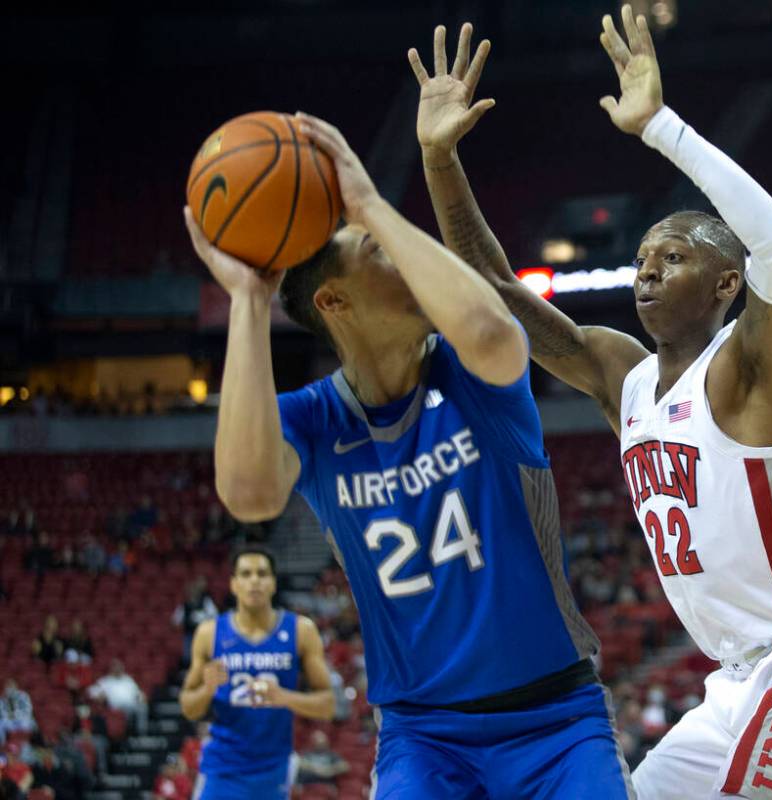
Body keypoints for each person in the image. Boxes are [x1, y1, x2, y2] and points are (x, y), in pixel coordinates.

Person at [418, 10, 772, 798]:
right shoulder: (621, 374)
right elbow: (498, 293)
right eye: (641, 259)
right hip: (735, 681)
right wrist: (439, 160)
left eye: (673, 257)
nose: (646, 270)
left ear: (725, 285)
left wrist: (661, 127)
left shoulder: (742, 368)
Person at [181, 74, 632, 797]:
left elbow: (491, 324)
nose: (408, 255)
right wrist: (247, 300)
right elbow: (248, 494)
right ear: (334, 302)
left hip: (557, 721)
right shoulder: (313, 419)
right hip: (424, 738)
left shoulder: (470, 374)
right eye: (381, 251)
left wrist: (370, 206)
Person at [179, 546, 333, 800]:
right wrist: (207, 689)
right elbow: (188, 708)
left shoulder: (301, 631)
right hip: (222, 768)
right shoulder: (209, 633)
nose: (254, 581)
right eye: (246, 574)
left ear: (273, 583)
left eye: (262, 574)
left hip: (273, 768)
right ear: (233, 584)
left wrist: (283, 697)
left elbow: (327, 705)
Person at [88, 659, 149, 735]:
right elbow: (91, 691)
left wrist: (141, 697)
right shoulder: (106, 681)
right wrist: (100, 696)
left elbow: (138, 693)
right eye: (116, 667)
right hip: (114, 706)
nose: (118, 669)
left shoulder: (128, 680)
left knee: (143, 707)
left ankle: (141, 732)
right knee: (124, 713)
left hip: (130, 705)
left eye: (120, 667)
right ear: (111, 668)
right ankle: (127, 732)